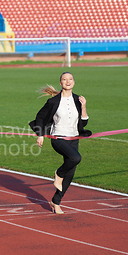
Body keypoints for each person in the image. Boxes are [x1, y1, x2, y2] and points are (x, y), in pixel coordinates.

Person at [29, 72, 90, 214]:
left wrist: (84, 106)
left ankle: (56, 201)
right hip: (58, 138)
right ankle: (58, 173)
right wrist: (40, 135)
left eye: (70, 79)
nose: (67, 81)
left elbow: (84, 122)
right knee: (76, 158)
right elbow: (40, 117)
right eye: (64, 79)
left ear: (73, 82)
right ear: (60, 83)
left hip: (74, 138)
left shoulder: (78, 100)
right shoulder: (54, 101)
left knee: (70, 174)